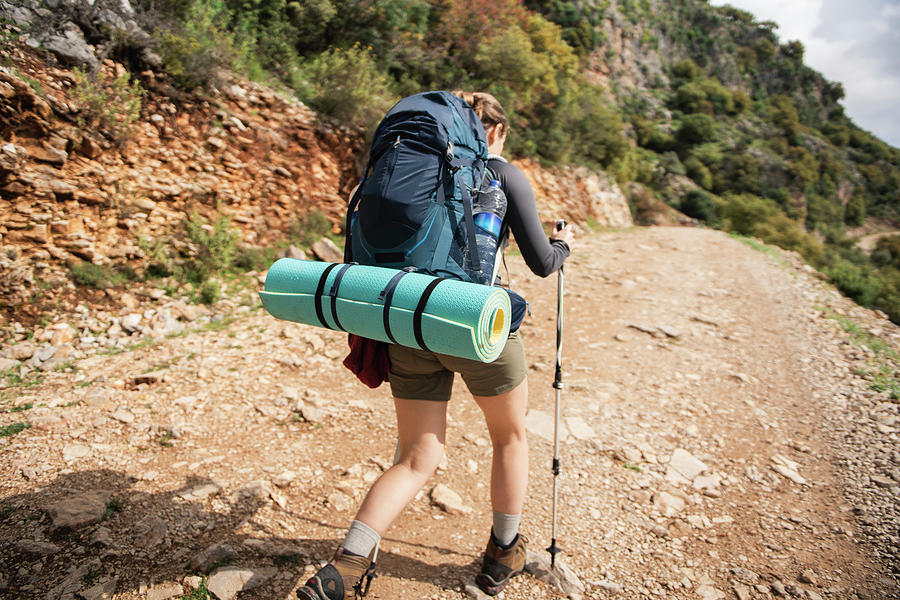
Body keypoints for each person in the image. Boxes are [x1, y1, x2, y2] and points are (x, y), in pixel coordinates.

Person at [297, 91, 575, 600]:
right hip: (475, 325)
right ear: (493, 132)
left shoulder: (415, 164)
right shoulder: (503, 174)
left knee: (417, 458)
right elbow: (541, 263)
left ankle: (347, 566)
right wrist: (565, 245)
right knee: (510, 439)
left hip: (408, 316)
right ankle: (501, 556)